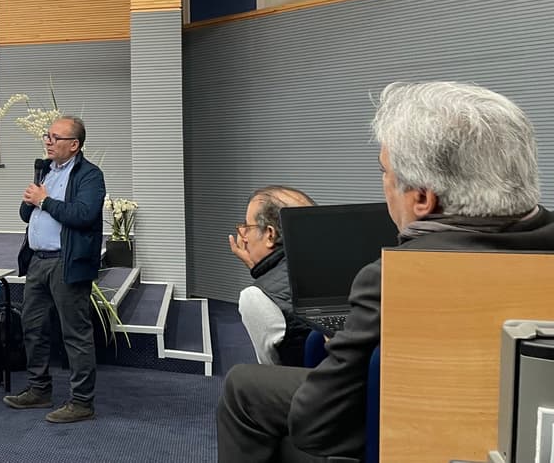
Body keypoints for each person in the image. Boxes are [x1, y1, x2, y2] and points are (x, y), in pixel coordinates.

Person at [216, 81, 554, 462]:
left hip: (411, 437)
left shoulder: (395, 278)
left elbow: (319, 425)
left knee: (244, 387)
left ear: (423, 198)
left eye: (384, 171)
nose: (384, 184)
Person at [3, 115, 106, 424]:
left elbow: (84, 215)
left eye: (55, 137)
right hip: (38, 261)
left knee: (75, 334)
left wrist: (44, 200)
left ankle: (81, 402)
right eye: (47, 136)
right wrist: (34, 196)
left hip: (67, 262)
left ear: (74, 145)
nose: (47, 141)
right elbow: (26, 213)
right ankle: (39, 389)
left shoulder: (89, 176)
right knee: (32, 327)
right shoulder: (45, 170)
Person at [229, 186, 316, 366]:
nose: (243, 236)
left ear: (270, 234)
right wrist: (258, 268)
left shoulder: (255, 298)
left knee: (240, 378)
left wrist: (258, 289)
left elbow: (272, 370)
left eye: (247, 227)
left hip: (306, 388)